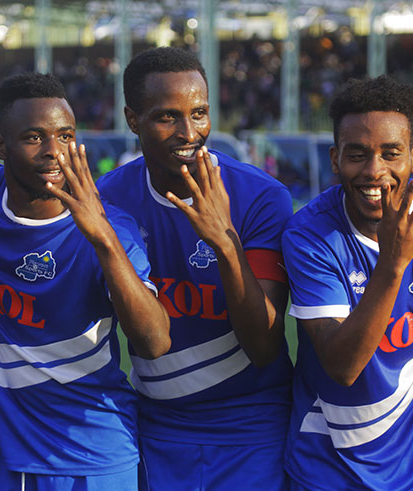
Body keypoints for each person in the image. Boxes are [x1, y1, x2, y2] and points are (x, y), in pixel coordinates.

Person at [0, 72, 169, 490]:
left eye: (65, 136)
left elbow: (156, 342)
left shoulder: (113, 230)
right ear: (1, 147)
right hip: (8, 451)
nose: (55, 152)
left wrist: (102, 239)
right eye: (34, 137)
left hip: (92, 455)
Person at [97, 47, 293, 490]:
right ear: (133, 120)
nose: (190, 132)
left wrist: (224, 241)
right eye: (168, 117)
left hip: (252, 425)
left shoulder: (260, 197)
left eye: (200, 113)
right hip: (154, 424)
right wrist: (5, 370)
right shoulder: (107, 200)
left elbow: (263, 346)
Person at [282, 75, 413, 490]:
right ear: (335, 159)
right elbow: (342, 367)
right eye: (357, 154)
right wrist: (395, 262)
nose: (374, 171)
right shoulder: (309, 235)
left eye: (390, 154)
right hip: (327, 471)